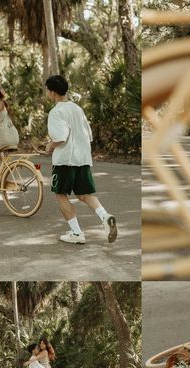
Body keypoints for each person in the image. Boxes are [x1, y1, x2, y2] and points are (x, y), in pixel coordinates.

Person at [45, 75, 117, 245]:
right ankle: (105, 216)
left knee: (61, 194)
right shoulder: (77, 109)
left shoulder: (56, 112)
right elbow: (88, 135)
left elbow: (61, 137)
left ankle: (77, 233)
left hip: (65, 161)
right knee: (84, 194)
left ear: (52, 92)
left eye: (47, 90)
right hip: (82, 158)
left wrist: (50, 145)